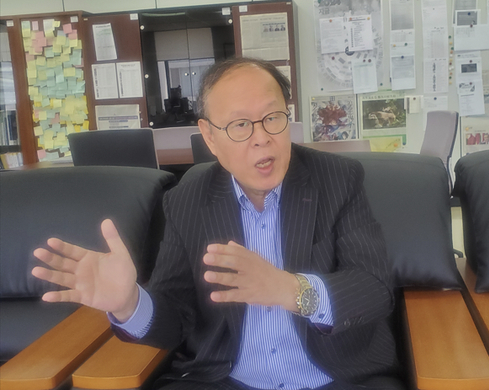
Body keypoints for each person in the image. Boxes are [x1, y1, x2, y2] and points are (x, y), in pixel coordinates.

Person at [32, 58, 401, 390]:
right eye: (241, 125)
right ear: (209, 136)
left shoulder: (338, 179)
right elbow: (176, 320)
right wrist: (129, 305)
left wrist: (291, 289)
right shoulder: (187, 202)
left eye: (273, 118)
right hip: (224, 380)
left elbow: (374, 287)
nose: (262, 138)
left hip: (337, 377)